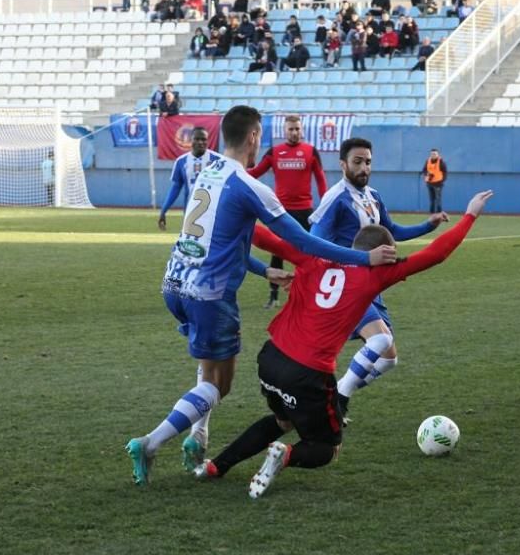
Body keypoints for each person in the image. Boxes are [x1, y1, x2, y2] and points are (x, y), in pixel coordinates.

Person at [124, 106, 398, 487]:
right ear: (254, 137)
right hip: (209, 295)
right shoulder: (250, 186)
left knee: (208, 368)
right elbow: (301, 241)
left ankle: (197, 437)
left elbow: (220, 239)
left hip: (174, 283)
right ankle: (149, 443)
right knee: (218, 385)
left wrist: (263, 270)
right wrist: (363, 257)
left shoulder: (206, 171)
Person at [193, 189, 494, 498]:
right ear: (384, 255)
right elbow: (436, 254)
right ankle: (284, 456)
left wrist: (222, 210)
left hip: (270, 360)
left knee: (283, 420)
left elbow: (263, 238)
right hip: (307, 374)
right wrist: (470, 214)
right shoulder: (375, 276)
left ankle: (215, 466)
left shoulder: (314, 254)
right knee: (326, 448)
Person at [310, 137, 449, 419]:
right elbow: (314, 243)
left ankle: (334, 394)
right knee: (380, 341)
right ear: (343, 164)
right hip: (348, 285)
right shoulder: (336, 198)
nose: (364, 167)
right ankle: (339, 401)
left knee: (388, 359)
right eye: (357, 162)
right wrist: (348, 265)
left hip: (372, 285)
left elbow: (392, 231)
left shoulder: (373, 196)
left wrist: (428, 225)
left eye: (368, 162)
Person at [249, 115, 327, 308]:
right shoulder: (275, 152)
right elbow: (256, 172)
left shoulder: (311, 152)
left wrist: (325, 206)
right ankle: (274, 296)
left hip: (305, 212)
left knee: (309, 253)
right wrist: (234, 172)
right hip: (280, 213)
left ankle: (312, 293)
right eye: (291, 129)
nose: (294, 132)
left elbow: (321, 181)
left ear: (302, 130)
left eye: (297, 129)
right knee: (277, 253)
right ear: (284, 131)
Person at [158, 128, 222, 231]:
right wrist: (164, 210)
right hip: (190, 212)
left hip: (214, 212)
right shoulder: (181, 161)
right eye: (196, 139)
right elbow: (176, 188)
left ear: (207, 141)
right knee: (191, 245)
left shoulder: (217, 160)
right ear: (190, 140)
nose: (200, 142)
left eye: (203, 139)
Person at [421, 148, 447, 213]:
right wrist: (426, 175)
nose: (433, 155)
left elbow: (445, 172)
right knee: (432, 200)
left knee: (438, 200)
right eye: (432, 154)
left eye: (435, 154)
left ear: (438, 154)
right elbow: (424, 170)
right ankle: (431, 214)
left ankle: (439, 214)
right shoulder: (428, 161)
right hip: (429, 183)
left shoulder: (441, 161)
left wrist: (442, 181)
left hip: (438, 183)